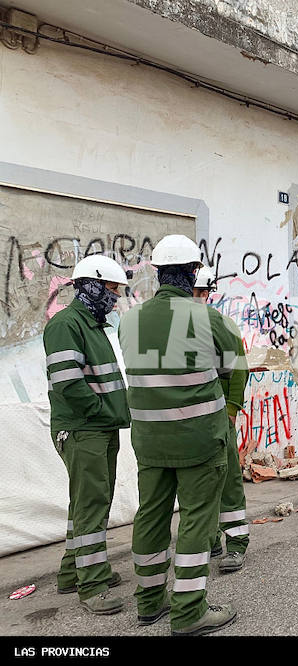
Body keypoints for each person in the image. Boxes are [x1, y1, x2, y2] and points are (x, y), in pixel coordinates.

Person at [119, 235, 244, 635]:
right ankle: (189, 611)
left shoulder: (129, 319)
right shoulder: (209, 318)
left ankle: (150, 603)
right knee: (195, 518)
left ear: (156, 274)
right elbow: (234, 365)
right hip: (199, 440)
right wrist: (225, 410)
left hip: (150, 441)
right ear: (193, 274)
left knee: (151, 515)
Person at [45, 256, 131, 614]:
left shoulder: (91, 325)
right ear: (91, 285)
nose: (115, 298)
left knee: (85, 502)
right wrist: (99, 412)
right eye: (112, 289)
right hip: (85, 429)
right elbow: (66, 382)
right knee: (92, 503)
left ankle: (71, 572)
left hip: (97, 427)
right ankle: (92, 584)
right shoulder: (66, 324)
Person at [193, 267, 250, 573]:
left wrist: (231, 408)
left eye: (202, 294)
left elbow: (238, 368)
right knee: (200, 482)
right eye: (196, 292)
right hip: (191, 420)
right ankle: (211, 538)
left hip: (217, 417)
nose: (199, 298)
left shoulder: (218, 323)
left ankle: (236, 543)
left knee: (228, 481)